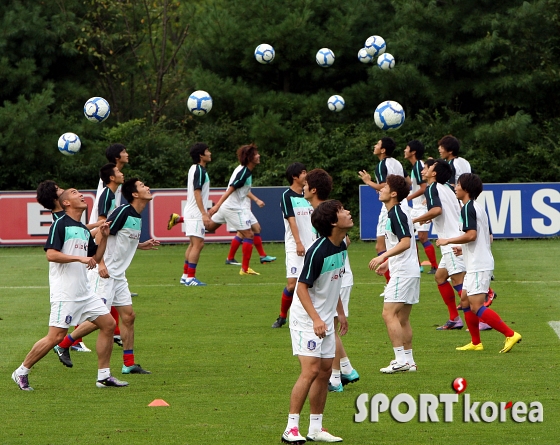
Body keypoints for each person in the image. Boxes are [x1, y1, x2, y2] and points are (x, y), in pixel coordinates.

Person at [12, 188, 128, 390]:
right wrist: (78, 257)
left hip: (84, 292)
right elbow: (51, 255)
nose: (81, 195)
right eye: (75, 193)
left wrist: (104, 237)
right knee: (55, 337)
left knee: (108, 324)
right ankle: (21, 370)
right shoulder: (60, 224)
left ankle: (104, 376)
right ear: (66, 203)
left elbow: (96, 259)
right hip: (65, 293)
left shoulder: (82, 229)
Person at [53, 179, 159, 374]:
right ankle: (63, 344)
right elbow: (101, 235)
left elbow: (123, 240)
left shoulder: (137, 215)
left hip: (118, 276)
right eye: (143, 186)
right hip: (104, 274)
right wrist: (100, 263)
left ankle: (128, 363)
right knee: (99, 320)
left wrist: (142, 245)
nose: (148, 187)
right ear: (134, 194)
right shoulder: (122, 212)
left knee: (128, 316)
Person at [282, 200, 352, 444]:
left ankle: (315, 428)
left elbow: (336, 281)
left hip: (325, 318)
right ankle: (290, 429)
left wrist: (339, 312)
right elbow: (301, 288)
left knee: (324, 373)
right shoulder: (317, 251)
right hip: (306, 320)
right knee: (310, 370)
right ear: (333, 222)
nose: (348, 212)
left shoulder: (342, 245)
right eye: (343, 211)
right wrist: (316, 319)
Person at [436, 173, 522, 353]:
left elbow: (472, 235)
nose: (455, 188)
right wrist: (463, 248)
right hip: (474, 261)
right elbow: (480, 236)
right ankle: (476, 342)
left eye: (458, 185)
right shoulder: (474, 207)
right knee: (465, 301)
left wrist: (449, 241)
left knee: (476, 306)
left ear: (466, 189)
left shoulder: (468, 208)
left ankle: (510, 333)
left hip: (479, 264)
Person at [36, 180, 100, 353]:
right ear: (58, 199)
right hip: (65, 282)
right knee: (57, 333)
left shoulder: (66, 215)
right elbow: (54, 251)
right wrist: (96, 228)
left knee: (104, 318)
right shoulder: (59, 219)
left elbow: (81, 231)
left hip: (78, 281)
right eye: (58, 189)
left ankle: (73, 341)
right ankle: (69, 341)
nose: (62, 189)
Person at [369, 175, 420, 373]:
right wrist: (389, 262)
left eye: (385, 187)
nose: (380, 189)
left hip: (404, 273)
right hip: (408, 270)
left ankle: (400, 360)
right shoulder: (397, 212)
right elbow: (404, 244)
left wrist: (383, 257)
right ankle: (409, 361)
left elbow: (405, 242)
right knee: (402, 318)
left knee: (388, 313)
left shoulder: (395, 214)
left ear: (393, 193)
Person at [412, 159, 466, 330]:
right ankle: (454, 319)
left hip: (451, 241)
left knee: (459, 282)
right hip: (454, 238)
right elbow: (446, 211)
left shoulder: (432, 188)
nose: (424, 170)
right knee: (440, 277)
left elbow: (438, 210)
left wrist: (414, 219)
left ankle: (483, 313)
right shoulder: (448, 188)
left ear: (434, 173)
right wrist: (430, 216)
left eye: (429, 168)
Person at [90, 143, 132, 345]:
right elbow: (102, 221)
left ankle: (114, 330)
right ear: (116, 158)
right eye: (124, 152)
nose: (127, 154)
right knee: (91, 294)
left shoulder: (116, 184)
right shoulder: (108, 189)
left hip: (102, 239)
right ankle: (70, 340)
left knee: (110, 290)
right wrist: (100, 261)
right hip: (97, 240)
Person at [358, 137, 408, 294]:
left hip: (390, 205)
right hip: (403, 203)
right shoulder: (397, 163)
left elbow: (384, 185)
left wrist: (368, 181)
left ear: (383, 150)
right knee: (400, 242)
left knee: (381, 246)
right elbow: (407, 182)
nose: (375, 146)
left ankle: (391, 284)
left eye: (378, 144)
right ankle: (394, 281)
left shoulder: (382, 164)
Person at [206, 144, 261, 275]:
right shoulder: (244, 173)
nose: (258, 156)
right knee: (249, 234)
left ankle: (180, 219)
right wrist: (217, 205)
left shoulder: (243, 170)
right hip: (232, 208)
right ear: (249, 158)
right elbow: (231, 189)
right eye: (255, 154)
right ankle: (245, 268)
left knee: (209, 227)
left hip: (229, 207)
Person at [271, 163, 314, 328]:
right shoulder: (287, 196)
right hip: (295, 246)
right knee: (292, 284)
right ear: (295, 177)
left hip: (312, 244)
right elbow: (292, 220)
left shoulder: (309, 194)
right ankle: (282, 316)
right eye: (303, 172)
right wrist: (298, 242)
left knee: (311, 284)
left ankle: (308, 317)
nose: (306, 174)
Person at [168, 143, 212, 286]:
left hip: (192, 212)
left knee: (194, 244)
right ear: (201, 155)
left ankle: (185, 275)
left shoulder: (195, 168)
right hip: (196, 213)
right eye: (207, 151)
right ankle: (190, 278)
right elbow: (197, 192)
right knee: (198, 245)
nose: (210, 153)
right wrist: (203, 213)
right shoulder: (199, 170)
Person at [404, 140, 438, 274]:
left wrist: (408, 198)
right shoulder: (416, 166)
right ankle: (417, 265)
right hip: (416, 207)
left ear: (413, 152)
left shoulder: (418, 166)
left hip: (421, 207)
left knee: (422, 237)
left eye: (407, 148)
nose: (404, 151)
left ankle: (435, 266)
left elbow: (424, 188)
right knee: (410, 237)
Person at [224, 191, 277, 266]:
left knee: (256, 229)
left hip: (245, 208)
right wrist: (257, 200)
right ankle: (231, 259)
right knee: (243, 233)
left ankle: (262, 256)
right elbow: (245, 191)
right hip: (242, 208)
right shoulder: (242, 180)